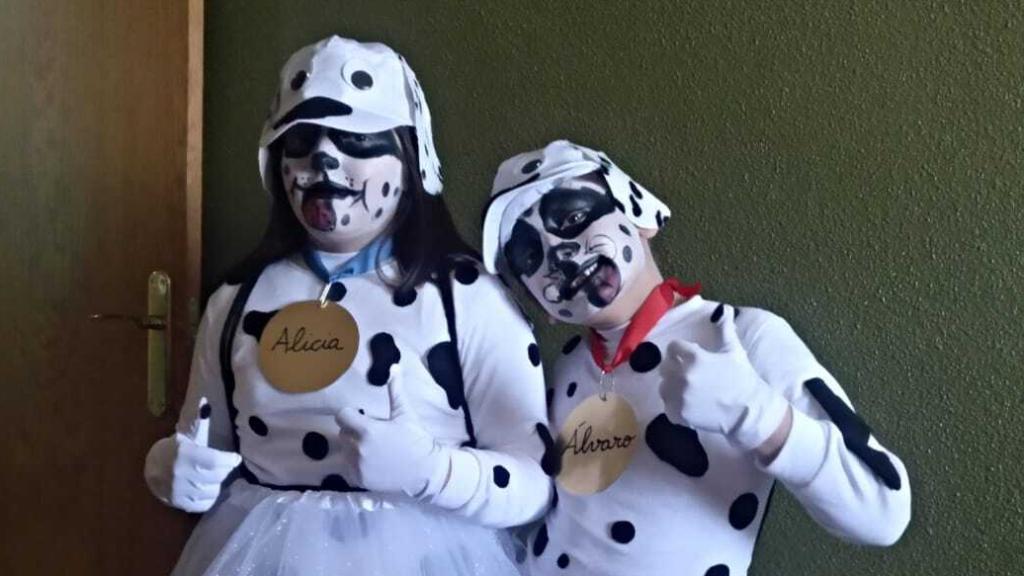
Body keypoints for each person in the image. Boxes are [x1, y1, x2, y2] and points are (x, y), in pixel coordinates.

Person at [144, 35, 552, 575]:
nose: (324, 158)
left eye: (357, 138)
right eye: (302, 140)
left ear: (410, 157)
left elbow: (534, 481)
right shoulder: (236, 301)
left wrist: (431, 471)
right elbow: (206, 440)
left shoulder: (467, 298)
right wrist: (169, 467)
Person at [480, 140, 911, 576]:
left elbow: (883, 511)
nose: (559, 254)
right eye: (529, 256)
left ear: (638, 213)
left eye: (572, 218)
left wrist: (758, 414)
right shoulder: (567, 364)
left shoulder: (743, 336)